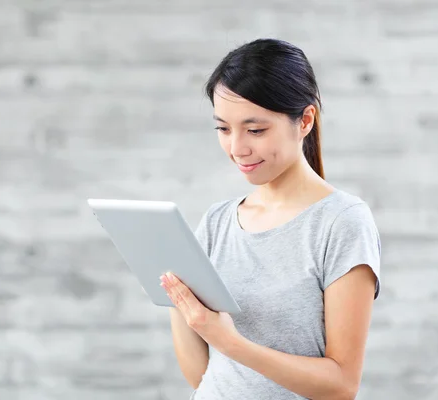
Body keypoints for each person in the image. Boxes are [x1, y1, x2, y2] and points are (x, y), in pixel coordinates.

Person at [159, 38, 381, 400]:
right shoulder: (217, 221)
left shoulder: (342, 223)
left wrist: (232, 343)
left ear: (305, 120)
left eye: (256, 130)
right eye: (223, 129)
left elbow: (341, 386)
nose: (237, 148)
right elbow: (202, 375)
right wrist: (174, 293)